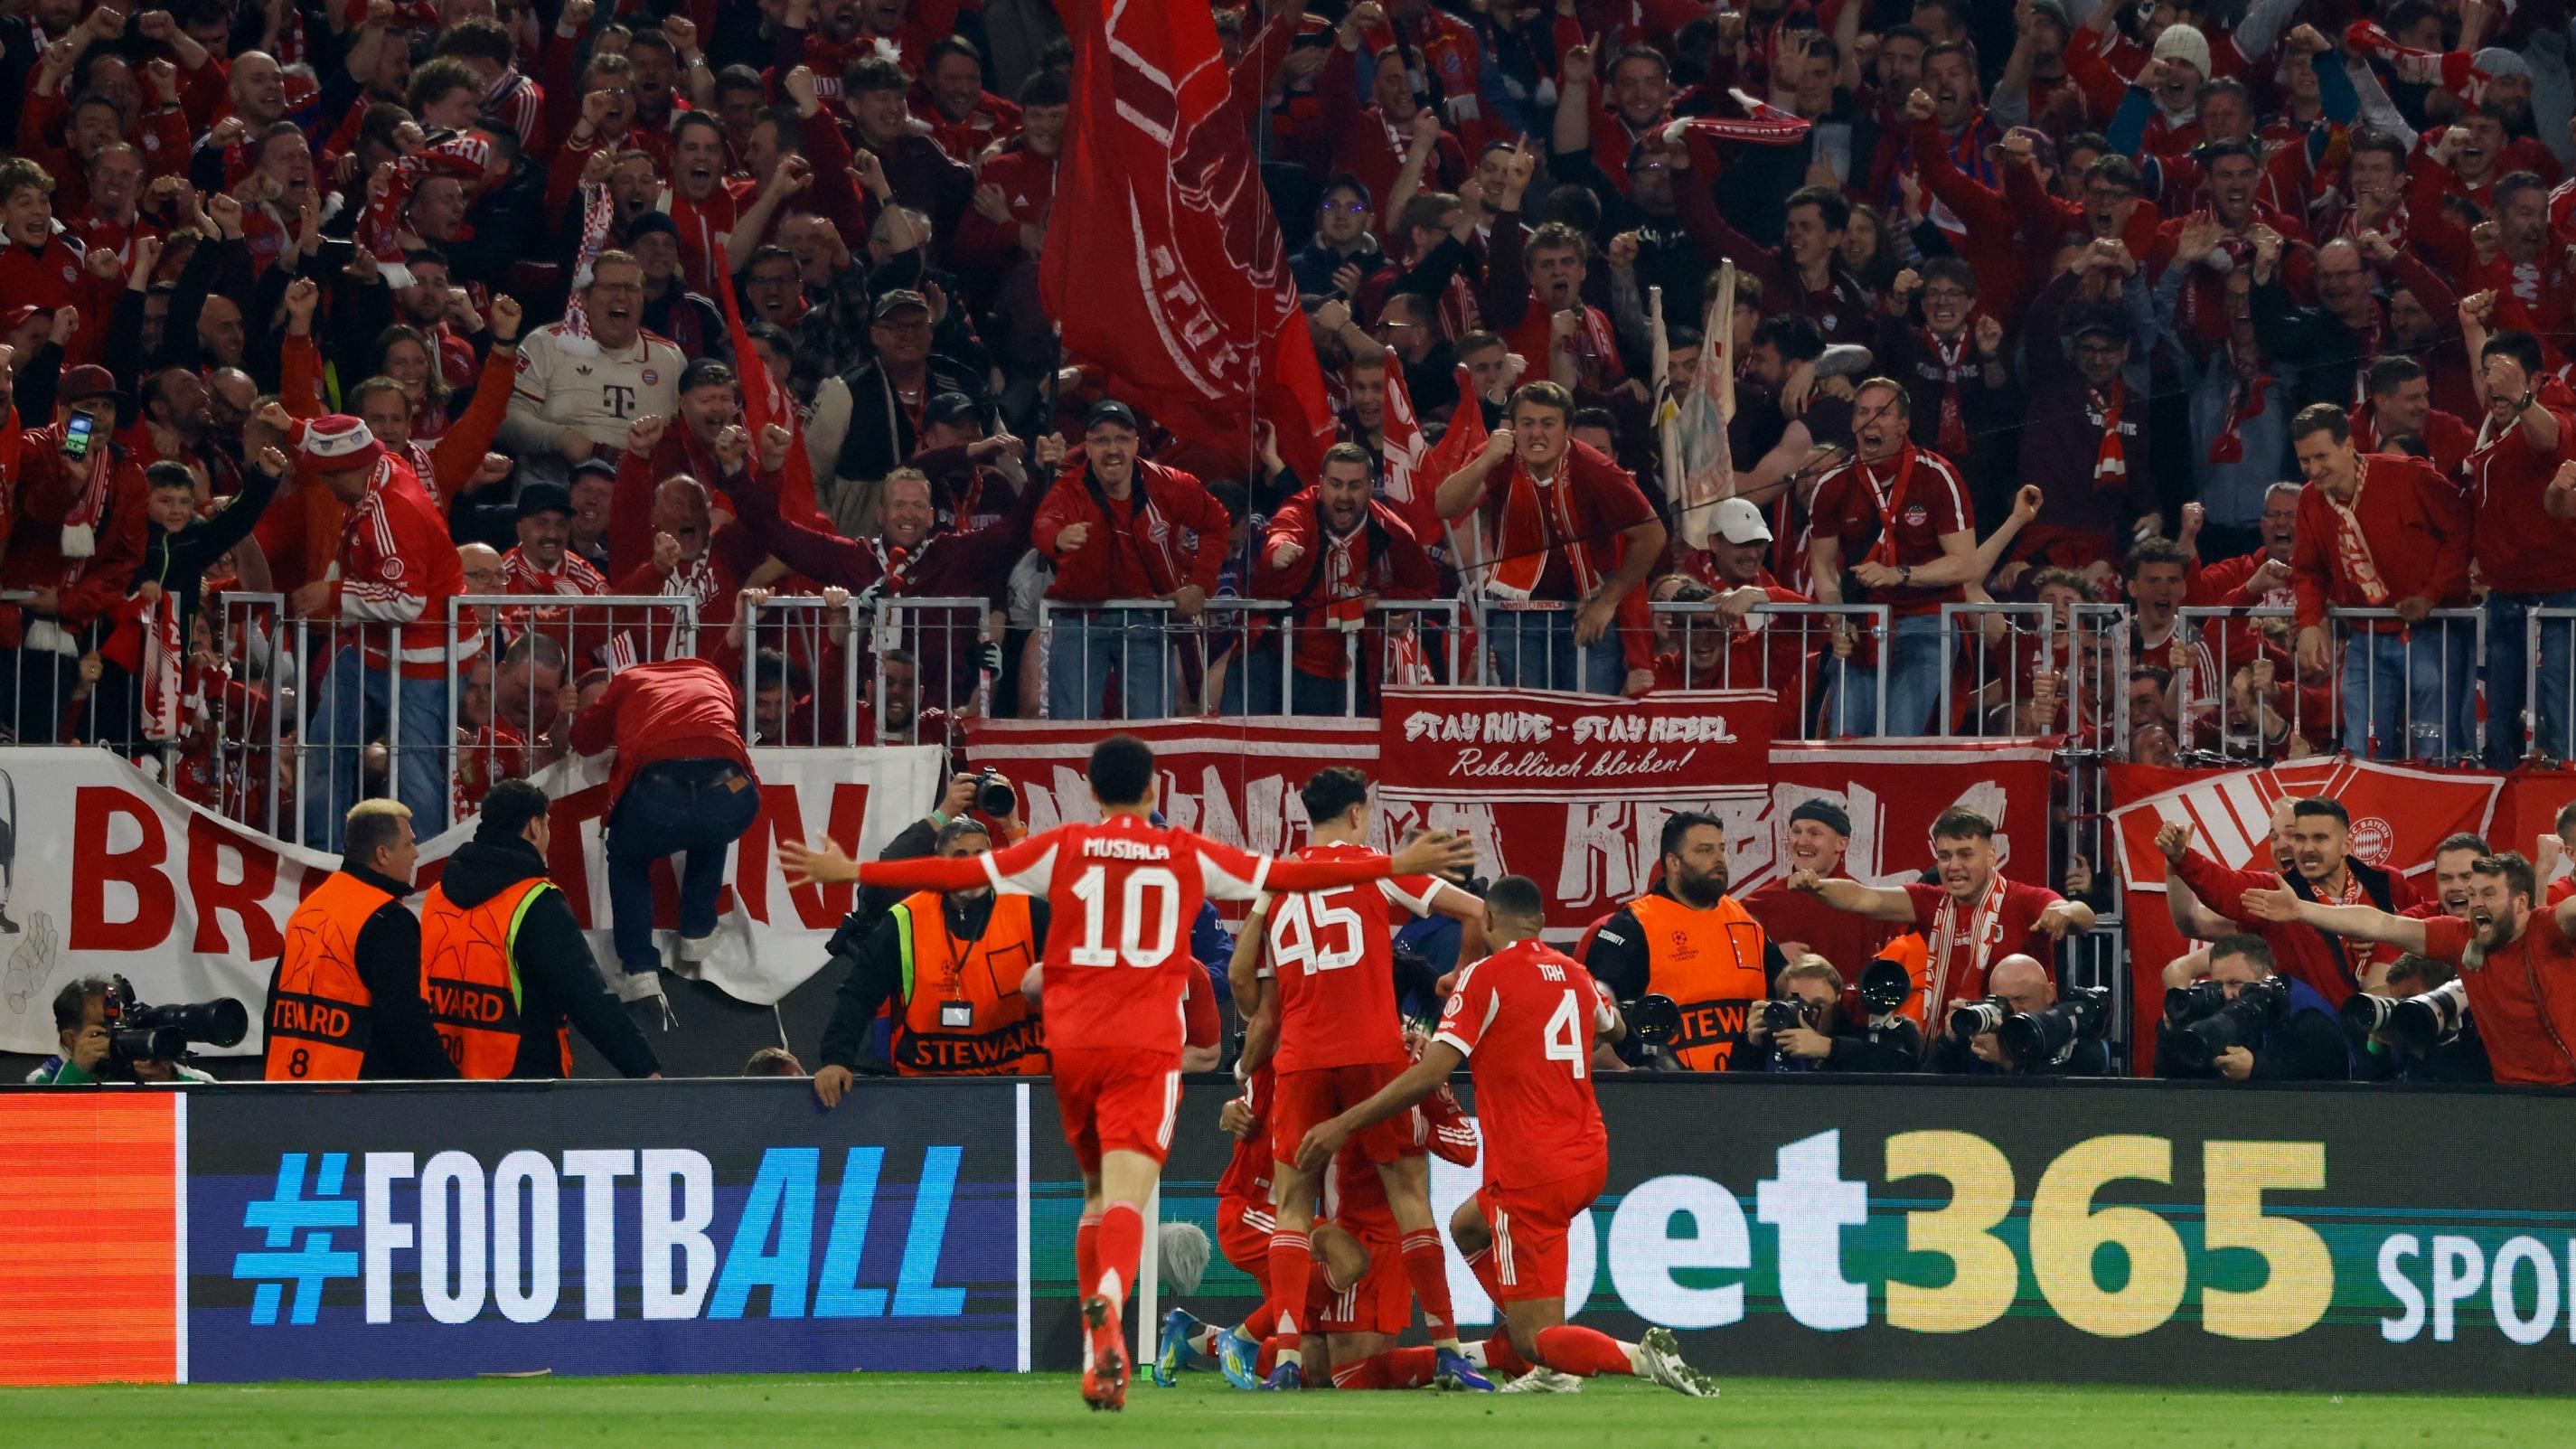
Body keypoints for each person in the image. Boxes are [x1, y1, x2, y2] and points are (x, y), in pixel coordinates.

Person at [777, 733, 1477, 1411]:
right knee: (1127, 1195)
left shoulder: (1064, 847)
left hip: (1076, 1044)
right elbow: (1292, 874)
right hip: (1146, 1045)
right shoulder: (1185, 852)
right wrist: (1390, 864)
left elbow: (956, 873)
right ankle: (1110, 1295)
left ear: (1088, 789)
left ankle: (1101, 1335)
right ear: (1153, 790)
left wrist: (854, 872)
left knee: (1093, 1192)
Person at [1293, 874, 1716, 1397]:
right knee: (1468, 1226)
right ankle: (1538, 1345)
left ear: (1487, 921)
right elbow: (1619, 1030)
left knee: (1535, 1339)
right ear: (1539, 923)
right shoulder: (1575, 974)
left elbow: (1429, 1075)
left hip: (1531, 1169)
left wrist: (1344, 1121)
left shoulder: (1483, 979)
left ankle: (1634, 1357)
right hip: (1586, 1155)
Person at [1220, 766, 1484, 1390]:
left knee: (1292, 1206)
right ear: (1360, 814)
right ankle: (1447, 1346)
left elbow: (1241, 982)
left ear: (1306, 819)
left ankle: (1284, 1358)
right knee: (1410, 1198)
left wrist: (1244, 1071)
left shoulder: (1281, 883)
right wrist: (1457, 984)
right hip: (1373, 1051)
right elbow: (1478, 910)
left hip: (1302, 1059)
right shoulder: (1374, 864)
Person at [290, 411, 477, 850]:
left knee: (416, 773)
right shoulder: (380, 465)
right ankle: (324, 863)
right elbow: (333, 440)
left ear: (344, 470)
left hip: (426, 661)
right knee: (324, 750)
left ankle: (421, 878)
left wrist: (331, 594)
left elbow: (406, 604)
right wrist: (291, 425)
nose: (322, 483)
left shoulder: (397, 510)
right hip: (373, 647)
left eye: (324, 474)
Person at [2243, 851, 2576, 1087]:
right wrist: (2301, 909)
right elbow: (2380, 923)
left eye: (2489, 894)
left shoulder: (2549, 929)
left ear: (2521, 902)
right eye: (2473, 894)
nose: (2476, 903)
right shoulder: (2460, 937)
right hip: (2511, 1097)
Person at [418, 779, 662, 1079]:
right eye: (546, 825)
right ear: (534, 826)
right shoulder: (536, 901)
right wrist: (644, 1069)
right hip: (522, 1086)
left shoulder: (438, 894)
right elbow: (587, 998)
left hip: (442, 1079)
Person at [1434, 380, 1666, 695]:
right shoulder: (1497, 458)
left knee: (1591, 717)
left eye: (1548, 423)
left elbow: (1652, 534)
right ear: (1513, 429)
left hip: (1586, 608)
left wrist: (1608, 601)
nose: (1536, 434)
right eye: (1526, 423)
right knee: (1522, 721)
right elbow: (1445, 505)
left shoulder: (1596, 468)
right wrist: (1485, 460)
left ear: (1568, 431)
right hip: (1516, 610)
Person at [1784, 804, 2092, 1030]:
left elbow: (2083, 915)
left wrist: (2064, 913)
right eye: (1944, 856)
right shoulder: (1930, 902)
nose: (1953, 865)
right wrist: (1817, 886)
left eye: (1965, 854)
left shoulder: (2023, 899)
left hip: (2016, 1046)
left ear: (1991, 855)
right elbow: (1863, 896)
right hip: (1951, 1044)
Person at [567, 654, 762, 1006]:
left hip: (658, 791)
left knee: (627, 858)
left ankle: (640, 968)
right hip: (734, 788)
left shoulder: (629, 679)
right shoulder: (711, 673)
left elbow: (583, 740)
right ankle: (699, 928)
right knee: (713, 821)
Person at [811, 815, 1052, 1095]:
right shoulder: (905, 920)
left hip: (1020, 1087)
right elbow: (859, 993)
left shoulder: (1031, 911)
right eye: (960, 855)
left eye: (980, 855)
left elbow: (1076, 986)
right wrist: (835, 1060)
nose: (971, 863)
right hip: (929, 1090)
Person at [2285, 402, 2472, 762]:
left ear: (2349, 445)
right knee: (2361, 748)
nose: (2313, 469)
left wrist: (2431, 595)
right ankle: (2365, 819)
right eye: (2304, 460)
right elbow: (2308, 570)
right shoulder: (2310, 499)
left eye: (2321, 456)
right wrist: (2309, 622)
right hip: (2365, 636)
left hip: (2431, 632)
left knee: (2433, 748)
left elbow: (2461, 529)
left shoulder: (2407, 476)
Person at [1032, 400, 1231, 720]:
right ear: (1087, 446)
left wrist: (1200, 584)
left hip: (1147, 617)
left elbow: (1217, 523)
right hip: (1080, 619)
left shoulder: (1170, 483)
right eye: (1101, 440)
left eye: (1122, 439)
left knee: (1150, 729)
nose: (1113, 449)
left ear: (1136, 444)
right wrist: (1057, 538)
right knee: (1070, 728)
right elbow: (1044, 521)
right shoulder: (1070, 488)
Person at [259, 800, 455, 1081]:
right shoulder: (388, 919)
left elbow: (275, 1007)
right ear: (383, 854)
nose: (416, 853)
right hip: (356, 1100)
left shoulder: (309, 908)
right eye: (408, 844)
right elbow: (406, 1023)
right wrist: (452, 1086)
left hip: (291, 1089)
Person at [2157, 798, 2418, 1007]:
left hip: (2390, 1037)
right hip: (2318, 1043)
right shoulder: (2276, 893)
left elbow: (2425, 932)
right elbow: (2224, 887)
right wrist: (2183, 858)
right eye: (2300, 839)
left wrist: (2388, 942)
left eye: (2319, 838)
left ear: (2346, 844)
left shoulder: (2386, 883)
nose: (2304, 848)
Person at [1584, 811, 1783, 1070]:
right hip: (1668, 1096)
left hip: (1749, 1093)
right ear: (1673, 862)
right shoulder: (1633, 925)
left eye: (1721, 849)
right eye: (1704, 850)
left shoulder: (1747, 922)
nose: (1719, 859)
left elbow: (1785, 984)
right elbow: (1600, 994)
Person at [2151, 933, 2346, 1083]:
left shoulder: (2305, 1012)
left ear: (2267, 977)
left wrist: (2256, 1067)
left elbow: (2329, 1075)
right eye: (2219, 984)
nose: (2227, 994)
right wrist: (2170, 1033)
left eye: (2235, 982)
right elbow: (2175, 1082)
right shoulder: (2219, 1008)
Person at [1929, 953, 2108, 1077]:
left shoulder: (2074, 1032)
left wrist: (2007, 1060)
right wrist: (1948, 1041)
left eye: (2021, 999)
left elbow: (2074, 1100)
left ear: (2050, 993)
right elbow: (1924, 1091)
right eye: (2002, 1002)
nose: (2013, 1010)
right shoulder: (1981, 1039)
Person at [1739, 955, 1926, 1073]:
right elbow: (1732, 1101)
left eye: (1819, 1004)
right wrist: (1750, 1048)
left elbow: (1904, 1066)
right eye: (1796, 1003)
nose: (1808, 1012)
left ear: (1838, 999)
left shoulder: (1860, 1029)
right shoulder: (1770, 1036)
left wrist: (1830, 1048)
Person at [28, 975, 214, 1086]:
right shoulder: (42, 1080)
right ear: (71, 1039)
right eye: (105, 1028)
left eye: (121, 1025)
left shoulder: (160, 1069)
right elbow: (37, 1132)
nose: (118, 1035)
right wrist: (77, 1072)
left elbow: (224, 1111)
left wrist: (167, 1083)